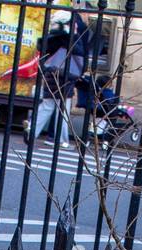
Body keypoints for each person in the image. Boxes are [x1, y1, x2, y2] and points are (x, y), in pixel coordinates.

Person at [27, 8, 94, 147]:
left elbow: (42, 46)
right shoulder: (72, 38)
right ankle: (62, 139)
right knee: (63, 109)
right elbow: (80, 56)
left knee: (47, 105)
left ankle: (32, 130)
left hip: (51, 73)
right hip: (66, 76)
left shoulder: (54, 37)